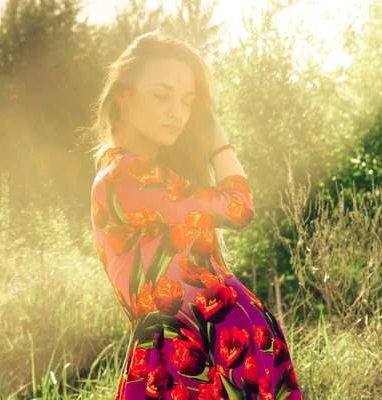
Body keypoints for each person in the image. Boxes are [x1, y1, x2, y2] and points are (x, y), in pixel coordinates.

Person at [87, 30, 302, 400]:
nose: (177, 112)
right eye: (161, 95)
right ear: (123, 94)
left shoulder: (165, 177)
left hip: (224, 355)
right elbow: (240, 208)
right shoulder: (125, 175)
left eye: (188, 102)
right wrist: (219, 141)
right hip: (182, 363)